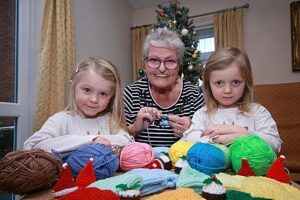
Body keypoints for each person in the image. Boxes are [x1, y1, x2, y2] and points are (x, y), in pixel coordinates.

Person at [24, 56, 134, 153]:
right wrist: (90, 140)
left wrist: (100, 140)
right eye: (87, 90)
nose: (94, 100)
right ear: (72, 87)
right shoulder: (61, 120)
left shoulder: (109, 120)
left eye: (103, 94)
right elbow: (32, 145)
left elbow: (127, 141)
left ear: (111, 97)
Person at [182, 47, 282, 152]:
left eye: (235, 82)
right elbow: (189, 138)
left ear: (246, 82)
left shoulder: (258, 112)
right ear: (208, 84)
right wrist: (221, 139)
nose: (228, 90)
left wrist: (242, 133)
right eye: (219, 83)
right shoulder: (202, 114)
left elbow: (275, 144)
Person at [123, 28, 205, 147]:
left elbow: (209, 141)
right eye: (154, 60)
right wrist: (135, 128)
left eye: (170, 61)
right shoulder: (132, 93)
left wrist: (192, 132)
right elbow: (115, 138)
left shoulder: (194, 95)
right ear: (145, 63)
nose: (162, 68)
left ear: (179, 65)